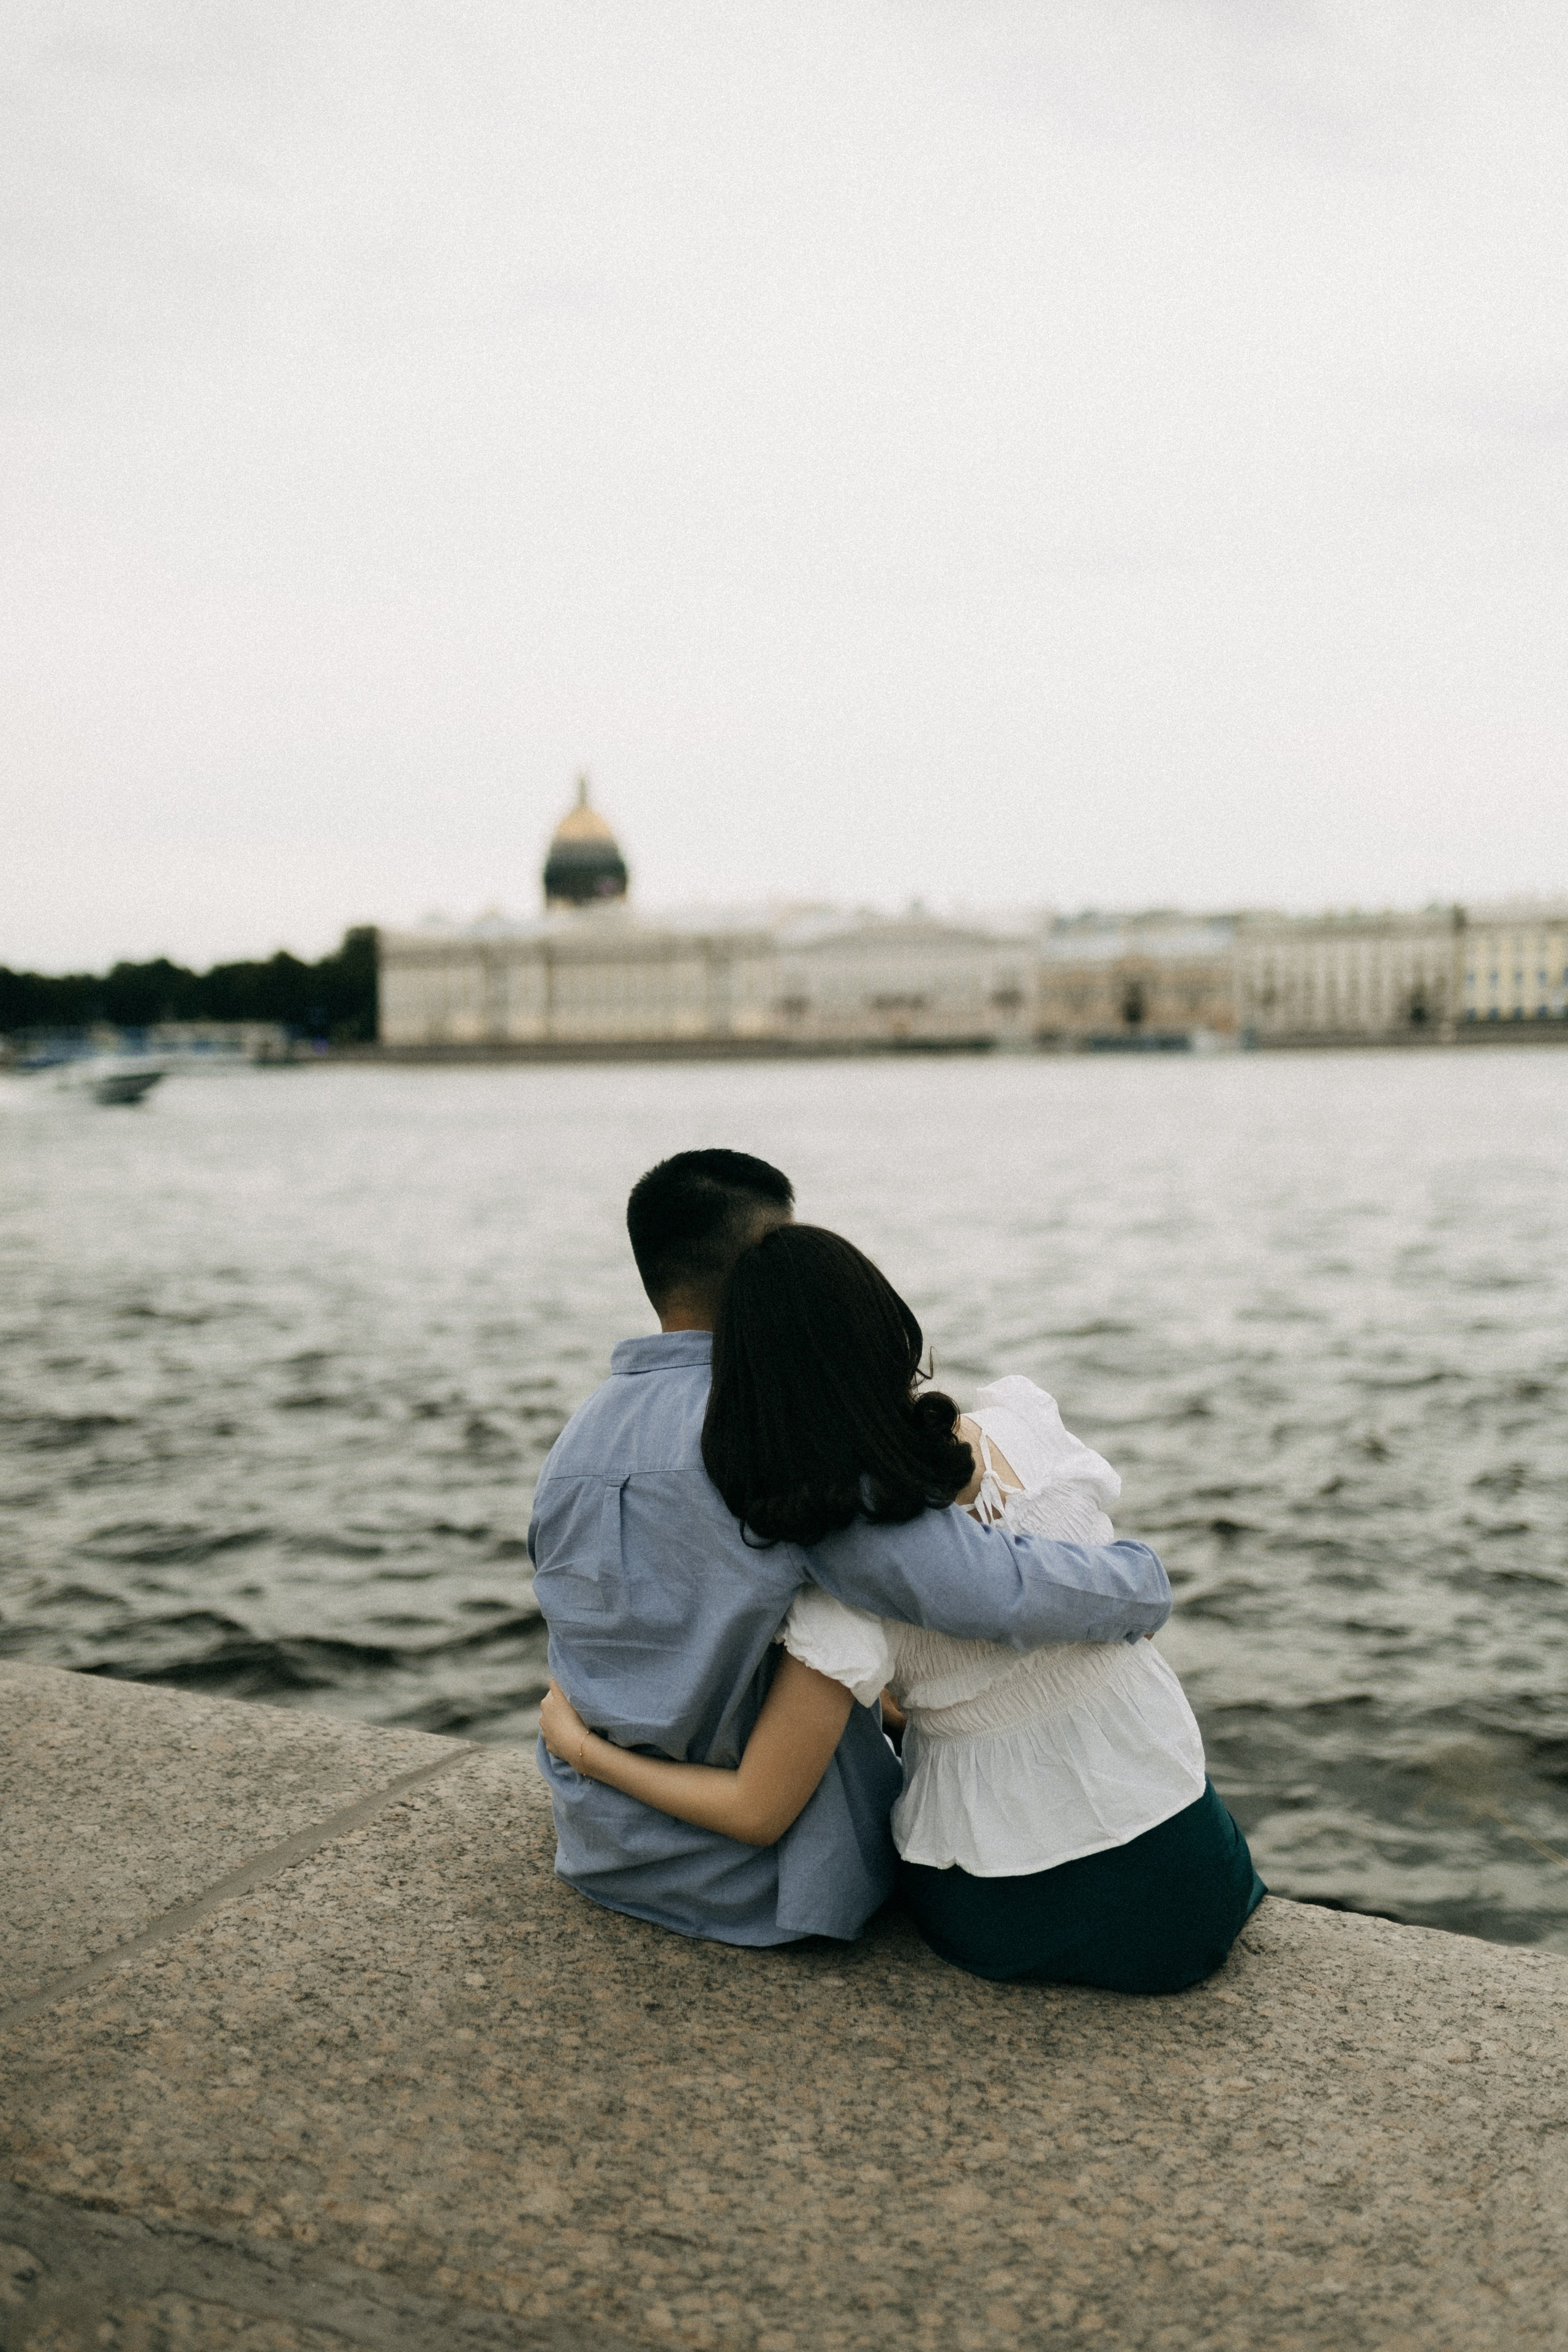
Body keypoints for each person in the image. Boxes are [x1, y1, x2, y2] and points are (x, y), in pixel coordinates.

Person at [540, 1221, 1265, 1994]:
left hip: (1018, 1904)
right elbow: (1004, 1606)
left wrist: (578, 1746)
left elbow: (759, 1809)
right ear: (888, 1324)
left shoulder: (841, 1586)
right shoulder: (1024, 1427)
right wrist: (1141, 1579)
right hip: (1200, 1864)